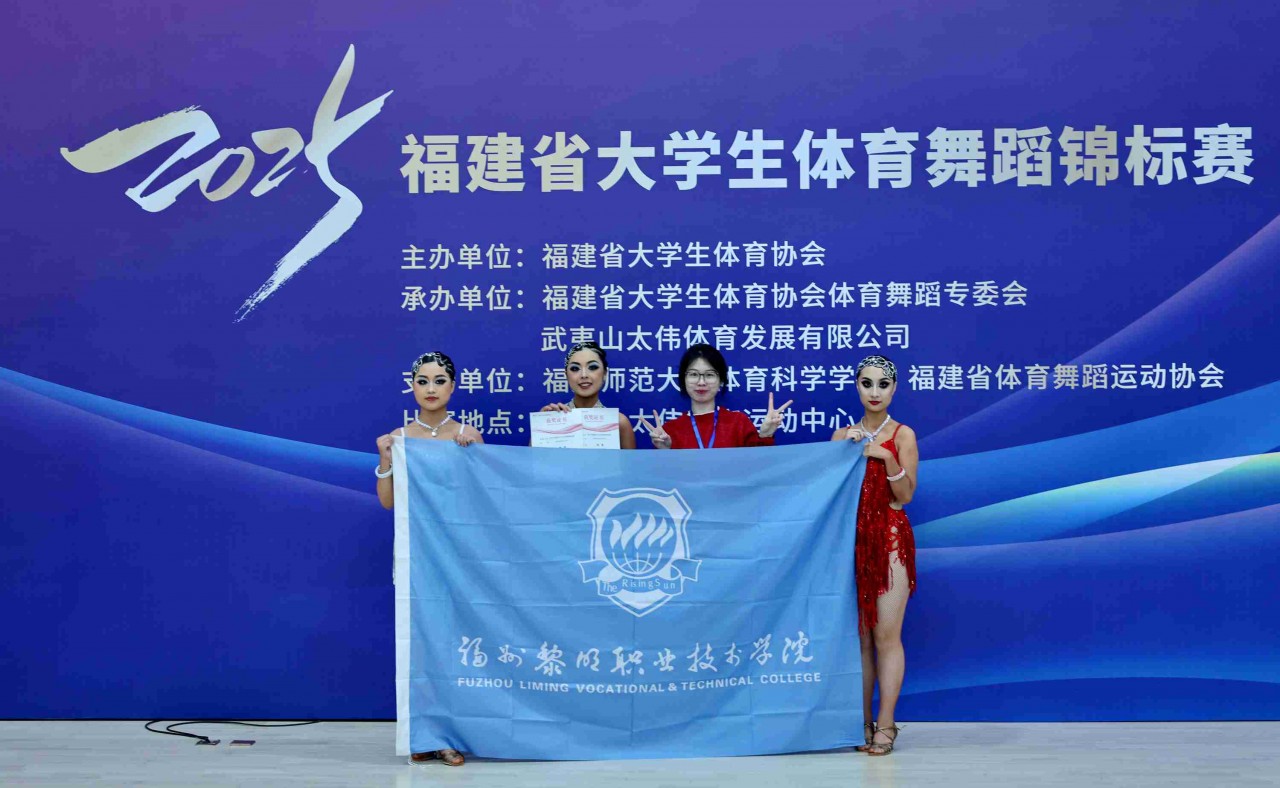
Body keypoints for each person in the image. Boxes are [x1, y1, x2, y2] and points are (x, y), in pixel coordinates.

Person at [374, 351, 481, 767]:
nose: (431, 388)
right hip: (417, 556)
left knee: (452, 646)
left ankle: (450, 735)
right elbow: (388, 503)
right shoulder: (400, 438)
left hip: (457, 557)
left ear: (452, 387)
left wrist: (472, 458)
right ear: (413, 387)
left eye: (439, 381)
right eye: (423, 381)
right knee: (418, 647)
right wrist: (386, 459)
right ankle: (424, 735)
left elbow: (483, 500)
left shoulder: (468, 435)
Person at [832, 355, 918, 756]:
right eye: (867, 383)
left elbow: (906, 495)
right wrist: (845, 453)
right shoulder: (842, 436)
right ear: (857, 386)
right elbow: (830, 495)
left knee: (886, 636)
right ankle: (861, 722)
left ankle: (886, 724)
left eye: (883, 384)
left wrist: (886, 458)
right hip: (851, 544)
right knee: (861, 640)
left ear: (894, 389)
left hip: (890, 540)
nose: (875, 392)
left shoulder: (902, 435)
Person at [638, 344, 791, 449]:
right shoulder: (670, 430)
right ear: (683, 380)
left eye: (709, 375)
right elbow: (662, 478)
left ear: (721, 380)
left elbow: (759, 469)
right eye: (693, 374)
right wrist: (664, 452)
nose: (701, 382)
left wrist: (766, 434)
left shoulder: (739, 423)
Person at [539, 340, 636, 449]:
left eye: (593, 367)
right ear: (566, 375)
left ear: (605, 373)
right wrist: (540, 428)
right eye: (575, 368)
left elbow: (631, 461)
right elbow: (535, 459)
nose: (584, 375)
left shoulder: (619, 422)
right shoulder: (552, 419)